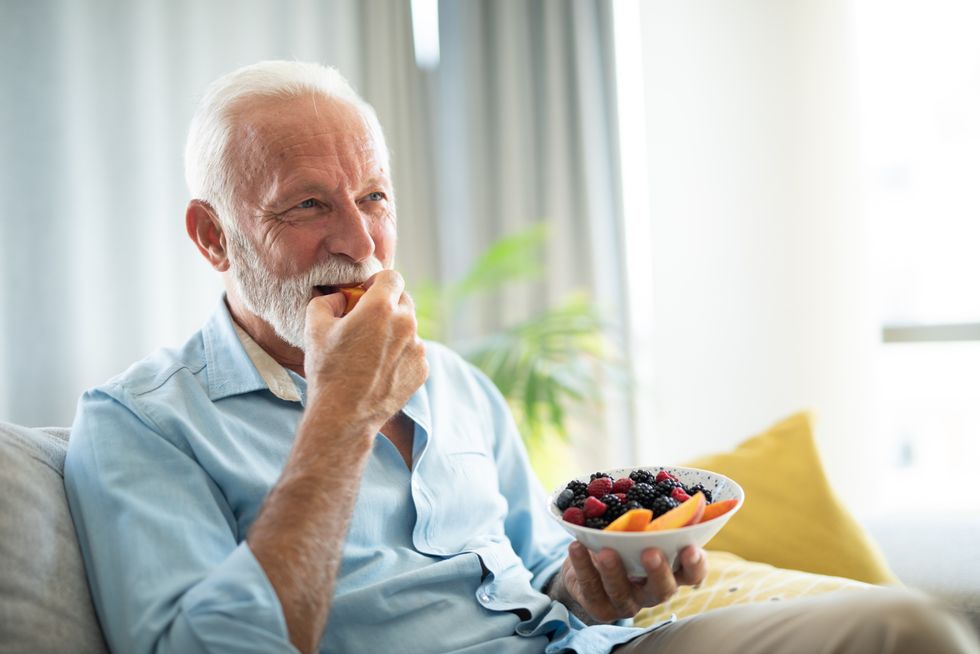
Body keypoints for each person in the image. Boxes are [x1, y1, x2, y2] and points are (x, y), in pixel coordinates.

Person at [64, 60, 979, 654]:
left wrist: (597, 582)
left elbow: (538, 576)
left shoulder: (453, 381)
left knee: (909, 632)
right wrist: (338, 413)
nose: (363, 243)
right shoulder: (140, 423)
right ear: (213, 238)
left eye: (374, 195)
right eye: (306, 207)